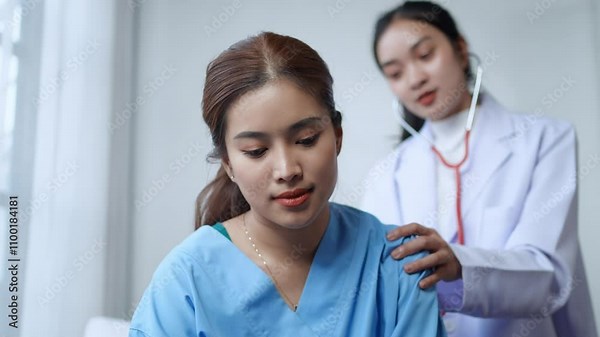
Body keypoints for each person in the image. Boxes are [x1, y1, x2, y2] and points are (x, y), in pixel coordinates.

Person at [128, 32, 446, 337]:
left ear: (337, 135)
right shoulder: (186, 281)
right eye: (257, 151)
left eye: (306, 140)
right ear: (228, 163)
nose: (287, 170)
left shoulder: (397, 264)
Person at [361, 1, 597, 337]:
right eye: (396, 73)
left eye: (425, 55)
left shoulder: (545, 139)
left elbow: (549, 275)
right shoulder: (385, 176)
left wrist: (460, 265)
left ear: (460, 49)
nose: (415, 79)